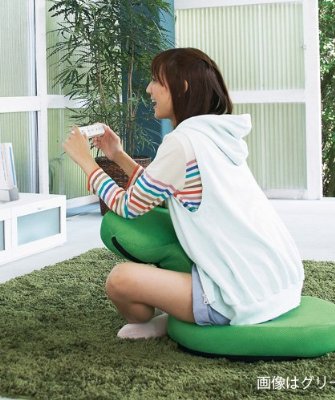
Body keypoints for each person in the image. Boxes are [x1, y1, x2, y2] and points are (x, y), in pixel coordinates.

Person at [63, 47, 304, 339]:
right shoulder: (213, 135)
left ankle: (179, 317)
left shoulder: (182, 142)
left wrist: (86, 162)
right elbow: (157, 187)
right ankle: (180, 312)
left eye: (157, 81)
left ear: (182, 88)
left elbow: (129, 206)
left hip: (237, 297)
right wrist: (117, 154)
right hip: (277, 282)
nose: (149, 89)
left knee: (120, 281)